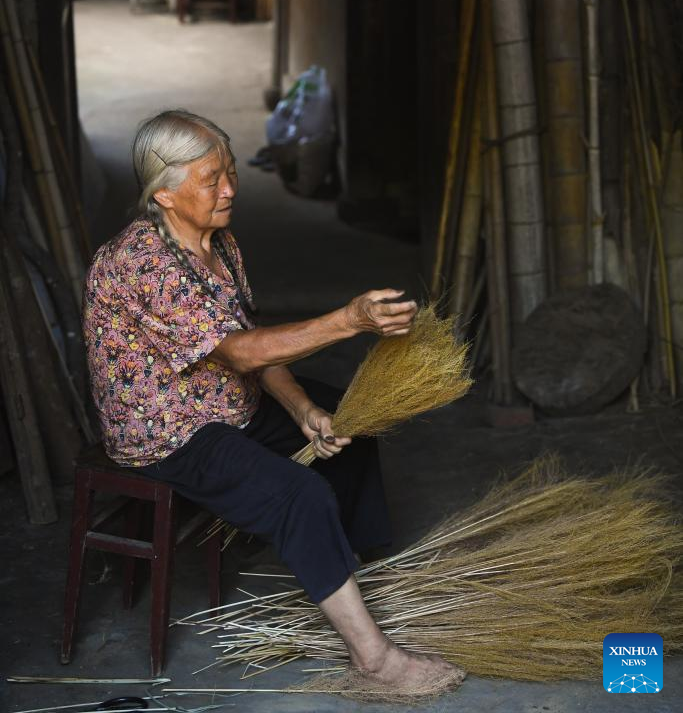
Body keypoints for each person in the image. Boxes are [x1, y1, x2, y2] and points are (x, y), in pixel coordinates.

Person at [82, 109, 465, 695]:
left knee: (350, 426)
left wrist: (302, 409)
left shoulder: (220, 245)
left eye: (230, 172)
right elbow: (239, 353)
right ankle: (376, 662)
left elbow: (254, 349)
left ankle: (358, 579)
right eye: (212, 180)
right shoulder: (140, 263)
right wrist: (348, 319)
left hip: (228, 403)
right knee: (299, 494)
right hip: (169, 431)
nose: (230, 189)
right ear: (164, 194)